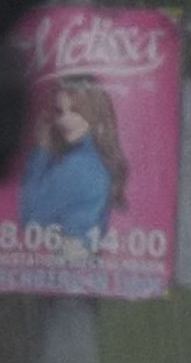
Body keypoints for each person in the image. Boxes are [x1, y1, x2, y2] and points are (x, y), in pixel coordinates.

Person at [15, 74, 126, 250]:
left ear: (94, 113)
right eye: (59, 111)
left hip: (70, 253)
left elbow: (30, 218)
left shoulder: (78, 164)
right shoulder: (94, 158)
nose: (65, 120)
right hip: (84, 251)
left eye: (75, 111)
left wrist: (42, 151)